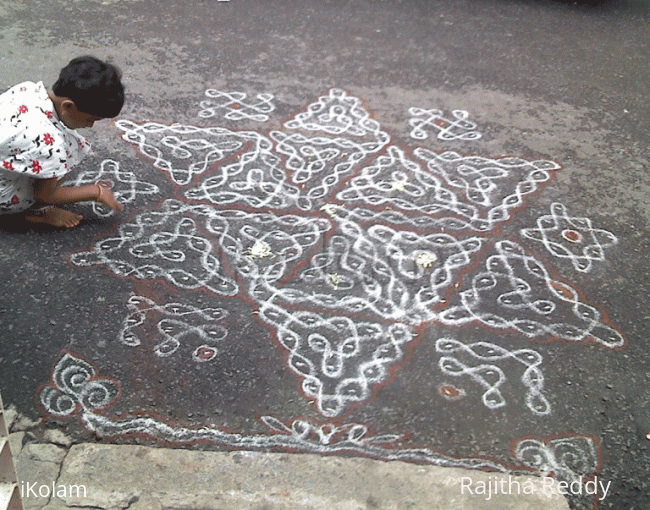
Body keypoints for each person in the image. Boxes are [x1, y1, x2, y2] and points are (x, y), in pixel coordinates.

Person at [0, 55, 125, 228]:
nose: (90, 125)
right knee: (62, 158)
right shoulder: (50, 144)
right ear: (68, 106)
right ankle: (33, 213)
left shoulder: (28, 89)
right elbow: (44, 195)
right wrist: (96, 192)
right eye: (91, 119)